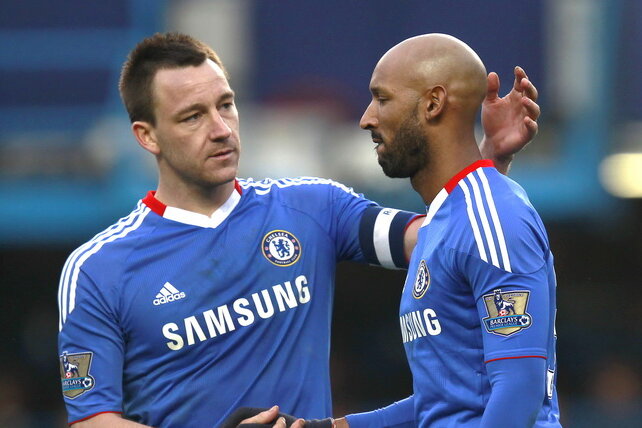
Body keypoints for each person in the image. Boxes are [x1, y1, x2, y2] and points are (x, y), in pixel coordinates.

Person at [57, 32, 540, 427]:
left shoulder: (312, 207)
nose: (221, 128)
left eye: (226, 105)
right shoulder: (97, 270)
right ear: (147, 136)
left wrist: (484, 162)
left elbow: (445, 239)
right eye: (193, 117)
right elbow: (92, 420)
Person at [328, 34, 560, 428]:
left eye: (382, 98)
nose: (367, 118)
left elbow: (519, 391)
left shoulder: (494, 217)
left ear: (433, 103)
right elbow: (447, 400)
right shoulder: (444, 220)